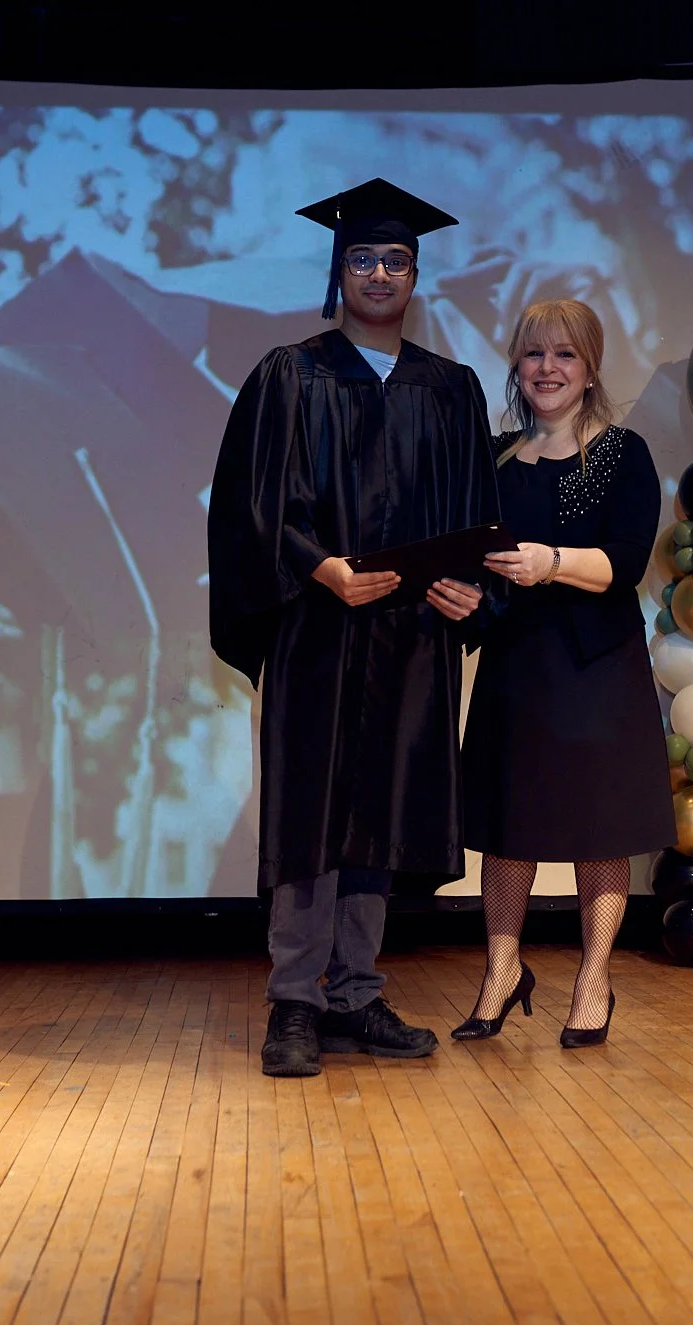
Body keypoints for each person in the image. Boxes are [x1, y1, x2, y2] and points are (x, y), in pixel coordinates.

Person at [207, 178, 501, 1078]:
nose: (380, 272)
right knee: (311, 810)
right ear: (340, 272)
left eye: (396, 260)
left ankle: (357, 994)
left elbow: (474, 514)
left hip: (410, 636)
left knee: (381, 809)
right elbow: (249, 509)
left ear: (416, 277)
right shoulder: (288, 375)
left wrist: (466, 593)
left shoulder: (451, 390)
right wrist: (317, 566)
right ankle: (294, 1000)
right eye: (365, 258)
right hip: (318, 629)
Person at [453, 299, 676, 1048]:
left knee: (599, 826)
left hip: (595, 666)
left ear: (589, 370)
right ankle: (501, 969)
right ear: (517, 366)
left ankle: (593, 978)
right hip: (516, 664)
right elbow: (475, 569)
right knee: (507, 826)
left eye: (566, 355)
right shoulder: (493, 459)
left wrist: (550, 562)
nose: (548, 369)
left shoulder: (620, 453)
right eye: (535, 354)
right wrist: (456, 600)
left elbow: (625, 563)